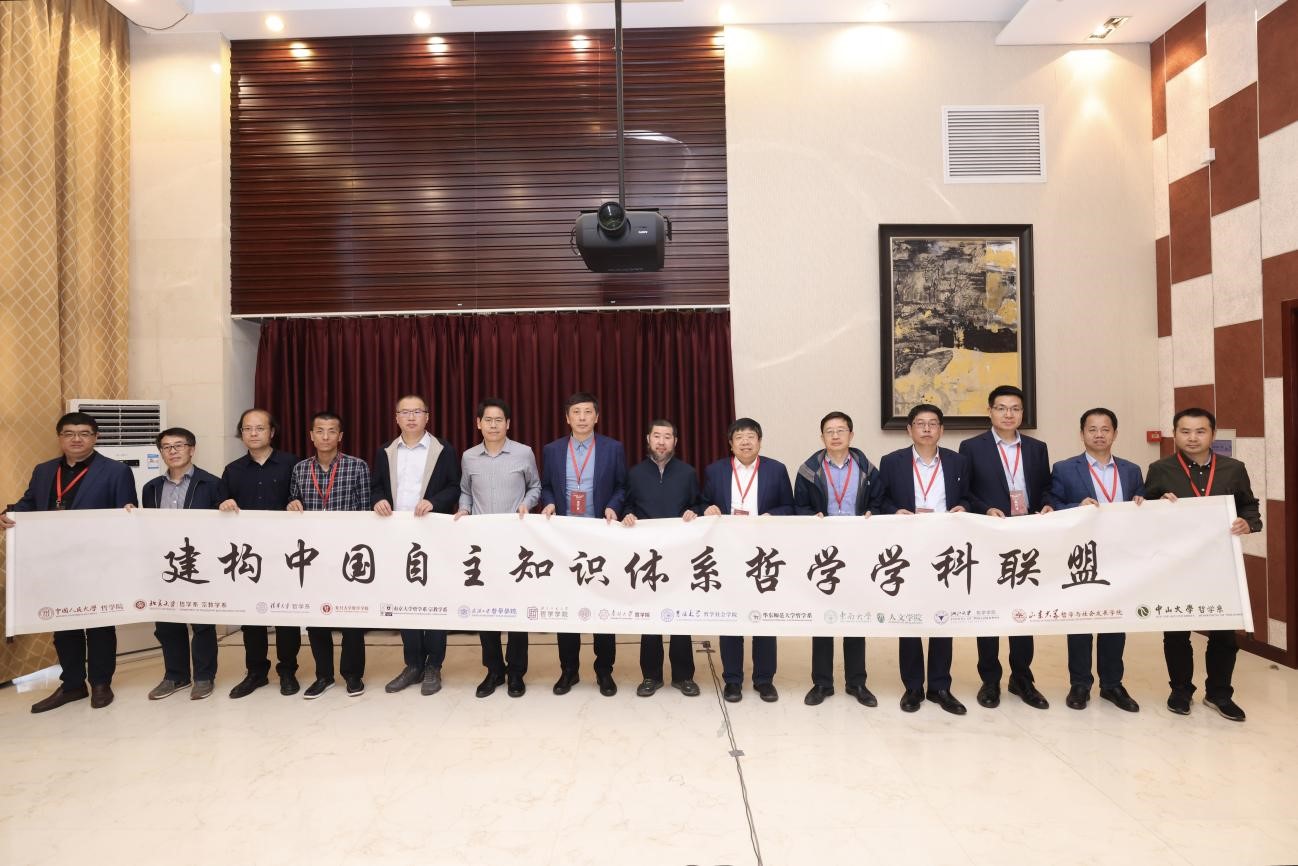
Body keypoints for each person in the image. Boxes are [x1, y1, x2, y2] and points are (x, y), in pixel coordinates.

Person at [2, 412, 137, 712]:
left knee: (99, 625)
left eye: (84, 433)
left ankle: (101, 683)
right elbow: (29, 503)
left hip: (98, 562)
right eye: (69, 433)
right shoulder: (44, 470)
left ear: (95, 437)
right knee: (63, 623)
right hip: (55, 561)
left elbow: (127, 513)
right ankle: (73, 684)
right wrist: (9, 514)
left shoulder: (116, 471)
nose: (77, 439)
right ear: (60, 438)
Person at [1144, 407, 1261, 722]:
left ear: (1212, 434)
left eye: (1200, 431)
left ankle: (1219, 694)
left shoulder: (1233, 469)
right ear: (1175, 434)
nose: (1192, 438)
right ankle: (1181, 691)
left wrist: (1248, 523)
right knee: (1176, 632)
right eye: (1185, 431)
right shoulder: (1160, 469)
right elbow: (1143, 512)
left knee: (1224, 633)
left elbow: (1249, 505)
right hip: (1176, 565)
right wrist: (1157, 507)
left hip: (1220, 564)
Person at [959, 384, 1053, 710]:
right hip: (989, 536)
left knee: (1023, 609)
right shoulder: (972, 447)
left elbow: (1045, 488)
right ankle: (990, 679)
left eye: (1015, 408)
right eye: (1001, 408)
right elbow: (965, 493)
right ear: (990, 412)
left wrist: (1047, 505)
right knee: (989, 609)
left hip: (1026, 537)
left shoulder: (1037, 448)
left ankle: (1022, 678)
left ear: (1022, 413)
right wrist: (985, 509)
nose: (1008, 414)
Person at [1047, 407, 1145, 713]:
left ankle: (1112, 684)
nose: (1099, 435)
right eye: (1092, 429)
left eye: (1105, 429)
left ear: (1115, 433)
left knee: (1115, 619)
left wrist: (1143, 502)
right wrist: (1076, 506)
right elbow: (1051, 504)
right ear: (1082, 434)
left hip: (1119, 556)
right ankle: (1080, 684)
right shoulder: (1064, 469)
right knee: (1080, 620)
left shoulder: (1131, 470)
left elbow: (1144, 504)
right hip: (1082, 555)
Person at [875, 404, 969, 715]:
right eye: (920, 423)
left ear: (941, 429)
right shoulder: (892, 462)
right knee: (910, 616)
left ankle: (940, 686)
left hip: (946, 548)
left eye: (932, 423)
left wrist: (964, 507)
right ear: (909, 429)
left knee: (943, 616)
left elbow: (969, 496)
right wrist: (894, 511)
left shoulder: (957, 461)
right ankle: (913, 687)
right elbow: (881, 499)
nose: (926, 429)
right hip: (909, 548)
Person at [372, 394, 461, 697]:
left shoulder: (443, 450)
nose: (411, 417)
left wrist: (434, 501)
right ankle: (412, 664)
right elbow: (376, 486)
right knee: (405, 599)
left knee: (434, 599)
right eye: (405, 412)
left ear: (427, 416)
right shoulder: (385, 451)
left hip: (433, 534)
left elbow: (455, 486)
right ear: (396, 417)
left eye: (417, 412)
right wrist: (378, 500)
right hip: (397, 536)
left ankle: (434, 665)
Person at [540, 391, 627, 697]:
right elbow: (547, 486)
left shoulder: (613, 448)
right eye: (576, 412)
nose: (582, 417)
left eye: (587, 412)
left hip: (600, 534)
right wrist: (549, 502)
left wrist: (613, 506)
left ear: (596, 417)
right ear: (567, 418)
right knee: (567, 606)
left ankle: (604, 670)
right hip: (565, 538)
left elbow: (622, 486)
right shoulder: (552, 450)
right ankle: (569, 670)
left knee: (603, 604)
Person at [701, 418, 793, 703]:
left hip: (763, 554)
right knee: (731, 617)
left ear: (760, 441)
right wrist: (707, 508)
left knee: (763, 616)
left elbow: (790, 507)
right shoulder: (715, 470)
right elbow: (700, 502)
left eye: (751, 436)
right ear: (730, 444)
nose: (745, 441)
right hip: (727, 552)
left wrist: (772, 515)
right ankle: (733, 680)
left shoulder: (776, 470)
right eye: (739, 437)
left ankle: (764, 679)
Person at [454, 398, 541, 698]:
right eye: (488, 420)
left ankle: (516, 672)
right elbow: (465, 491)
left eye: (499, 420)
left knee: (516, 608)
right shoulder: (469, 457)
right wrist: (464, 508)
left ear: (508, 424)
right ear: (478, 423)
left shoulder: (523, 453)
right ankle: (493, 670)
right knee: (486, 608)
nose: (493, 425)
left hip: (516, 543)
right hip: (481, 545)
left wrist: (526, 504)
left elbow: (536, 486)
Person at [793, 411, 880, 708]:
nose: (835, 435)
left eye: (841, 430)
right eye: (829, 431)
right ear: (822, 437)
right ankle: (822, 683)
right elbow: (798, 506)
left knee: (855, 616)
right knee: (823, 616)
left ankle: (857, 682)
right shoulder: (808, 470)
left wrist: (873, 513)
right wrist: (811, 516)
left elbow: (879, 502)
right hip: (823, 552)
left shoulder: (868, 469)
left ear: (851, 435)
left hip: (857, 549)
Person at [217, 408, 302, 698]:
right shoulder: (232, 470)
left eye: (260, 428)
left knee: (286, 615)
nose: (253, 434)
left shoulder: (292, 464)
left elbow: (303, 498)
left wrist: (295, 502)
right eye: (247, 429)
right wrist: (223, 504)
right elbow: (219, 505)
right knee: (251, 615)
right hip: (248, 556)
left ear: (272, 432)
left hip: (285, 554)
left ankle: (288, 670)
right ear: (241, 434)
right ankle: (256, 672)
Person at [288, 411, 372, 699]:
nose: (325, 436)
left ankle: (353, 675)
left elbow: (365, 511)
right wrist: (292, 504)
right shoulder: (300, 469)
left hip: (348, 555)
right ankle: (323, 675)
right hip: (312, 556)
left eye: (331, 431)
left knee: (352, 619)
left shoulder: (357, 466)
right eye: (320, 431)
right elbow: (293, 502)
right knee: (317, 617)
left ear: (340, 436)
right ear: (311, 436)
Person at [620, 419, 703, 698]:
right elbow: (627, 504)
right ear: (648, 439)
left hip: (679, 555)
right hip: (646, 557)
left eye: (668, 437)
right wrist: (627, 515)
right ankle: (651, 676)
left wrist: (694, 512)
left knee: (680, 615)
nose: (662, 442)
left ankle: (683, 676)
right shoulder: (635, 473)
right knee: (650, 617)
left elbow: (698, 503)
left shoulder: (687, 472)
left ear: (675, 442)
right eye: (657, 436)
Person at [138, 427, 222, 701]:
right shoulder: (151, 487)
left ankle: (204, 677)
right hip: (165, 565)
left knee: (202, 623)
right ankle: (175, 676)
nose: (172, 451)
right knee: (167, 623)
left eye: (179, 445)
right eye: (166, 447)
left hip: (199, 563)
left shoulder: (212, 483)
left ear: (192, 449)